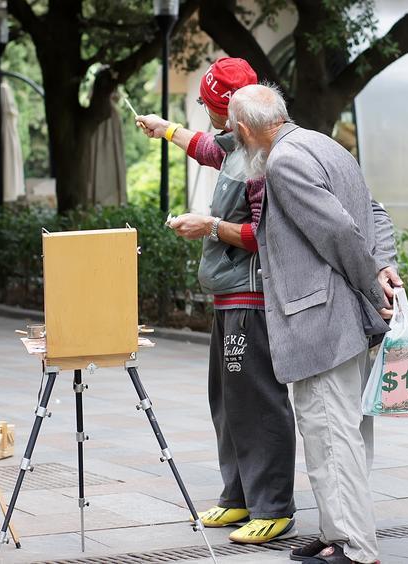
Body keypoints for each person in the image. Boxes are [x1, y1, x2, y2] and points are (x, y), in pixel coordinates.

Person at [227, 83, 393, 564]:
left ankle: (356, 549)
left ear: (243, 131)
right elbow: (375, 213)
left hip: (322, 320)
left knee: (329, 434)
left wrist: (371, 282)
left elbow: (338, 229)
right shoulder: (325, 144)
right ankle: (335, 535)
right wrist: (384, 266)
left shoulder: (284, 161)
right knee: (346, 433)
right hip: (344, 318)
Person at [136, 57, 298, 545]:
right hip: (229, 296)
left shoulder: (264, 161)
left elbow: (264, 234)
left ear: (234, 114)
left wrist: (207, 225)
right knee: (227, 401)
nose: (207, 115)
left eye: (209, 106)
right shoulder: (238, 143)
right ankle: (239, 497)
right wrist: (166, 131)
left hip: (252, 297)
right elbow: (208, 148)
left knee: (257, 401)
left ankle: (274, 506)